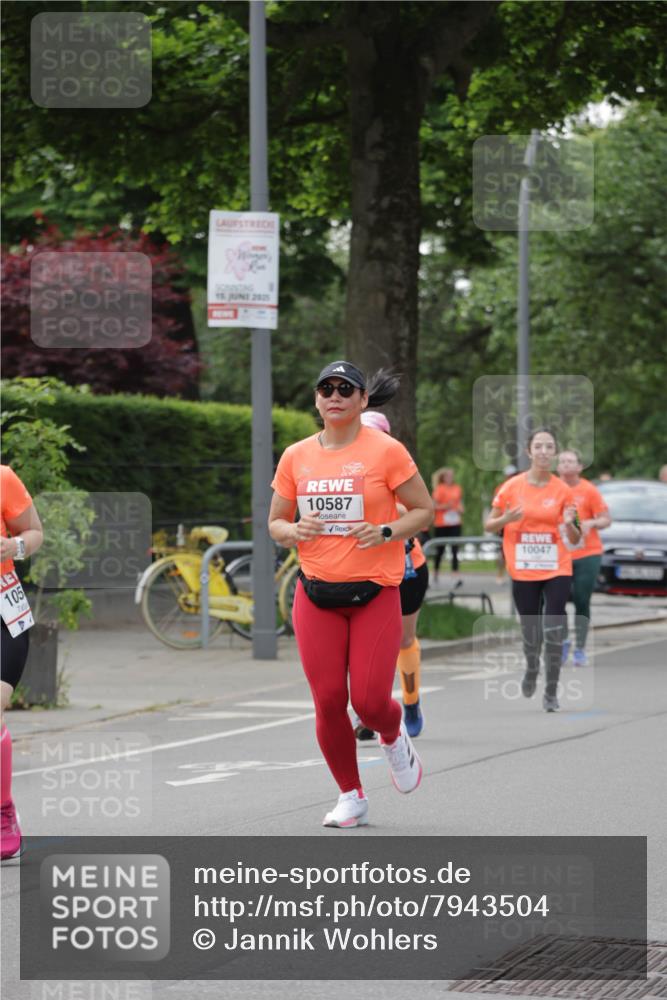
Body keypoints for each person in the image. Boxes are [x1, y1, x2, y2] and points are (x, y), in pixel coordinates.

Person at [268, 361, 433, 828]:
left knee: (369, 702)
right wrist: (293, 528)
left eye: (346, 388)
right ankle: (351, 795)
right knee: (326, 700)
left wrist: (386, 530)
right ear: (317, 400)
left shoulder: (387, 451)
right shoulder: (296, 455)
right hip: (316, 593)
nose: (334, 395)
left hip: (374, 593)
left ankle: (393, 729)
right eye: (326, 388)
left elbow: (423, 510)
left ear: (362, 400)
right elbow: (275, 523)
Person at [484, 430, 581, 713]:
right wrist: (506, 519)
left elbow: (575, 537)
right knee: (531, 630)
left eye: (549, 446)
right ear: (529, 452)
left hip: (556, 566)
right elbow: (490, 526)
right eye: (538, 446)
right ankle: (531, 665)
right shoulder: (511, 487)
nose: (543, 451)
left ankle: (551, 691)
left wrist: (569, 524)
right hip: (523, 568)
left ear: (554, 453)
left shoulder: (563, 491)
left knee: (552, 627)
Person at [352, 410, 429, 740]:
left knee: (402, 640)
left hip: (407, 569)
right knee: (364, 647)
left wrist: (387, 513)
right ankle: (368, 713)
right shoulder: (345, 472)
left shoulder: (398, 466)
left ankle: (410, 702)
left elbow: (420, 513)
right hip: (359, 570)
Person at [1, 465, 44, 860]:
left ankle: (1, 810)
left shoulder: (2, 478)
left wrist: (11, 548)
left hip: (2, 612)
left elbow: (34, 533)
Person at [557, 450, 611, 665]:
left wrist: (591, 523)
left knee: (581, 599)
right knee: (555, 601)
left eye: (570, 461)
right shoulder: (552, 489)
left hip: (587, 554)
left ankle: (580, 647)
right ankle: (562, 642)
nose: (566, 465)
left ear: (579, 467)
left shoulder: (589, 490)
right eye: (562, 461)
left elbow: (606, 519)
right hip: (559, 554)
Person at [431, 467, 464, 580]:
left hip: (455, 522)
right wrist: (446, 507)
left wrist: (460, 509)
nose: (450, 478)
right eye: (448, 476)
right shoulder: (439, 489)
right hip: (442, 524)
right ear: (444, 478)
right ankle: (435, 572)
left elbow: (459, 503)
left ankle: (455, 574)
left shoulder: (457, 488)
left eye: (452, 475)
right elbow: (433, 506)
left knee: (455, 548)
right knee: (440, 549)